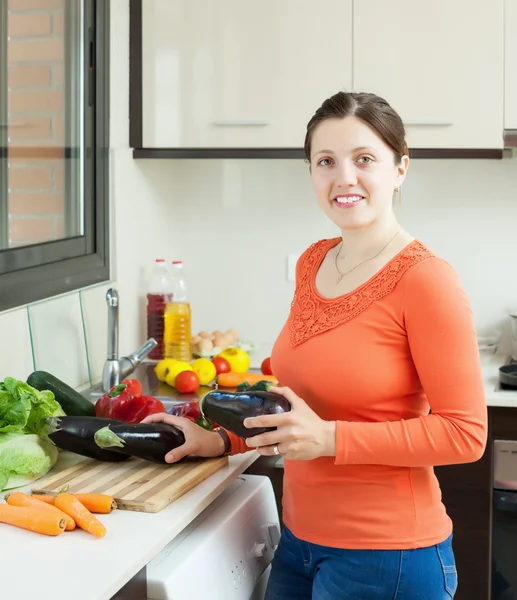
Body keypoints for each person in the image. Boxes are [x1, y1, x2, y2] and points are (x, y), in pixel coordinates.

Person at [144, 91, 488, 599]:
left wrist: (331, 440)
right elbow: (297, 404)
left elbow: (465, 434)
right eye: (326, 161)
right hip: (298, 545)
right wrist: (220, 439)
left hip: (389, 560)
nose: (344, 177)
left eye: (364, 159)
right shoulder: (313, 263)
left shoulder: (427, 281)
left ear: (400, 169)